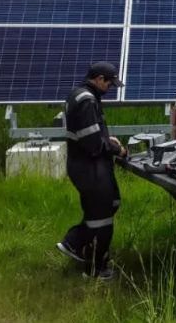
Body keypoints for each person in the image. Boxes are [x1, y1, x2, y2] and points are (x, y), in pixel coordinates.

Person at [56, 62, 127, 281]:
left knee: (110, 204)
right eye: (109, 83)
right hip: (90, 167)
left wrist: (107, 140)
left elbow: (91, 136)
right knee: (101, 217)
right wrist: (116, 148)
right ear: (99, 79)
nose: (110, 88)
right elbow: (93, 144)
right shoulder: (87, 100)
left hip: (86, 166)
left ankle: (77, 246)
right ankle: (95, 267)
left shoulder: (81, 95)